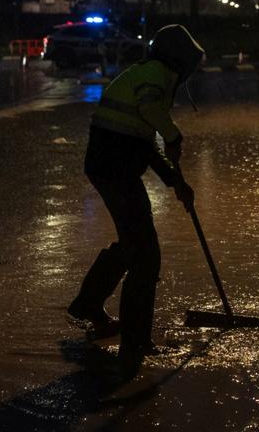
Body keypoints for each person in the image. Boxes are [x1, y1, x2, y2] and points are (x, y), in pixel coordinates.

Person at [67, 24, 204, 379]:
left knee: (134, 245)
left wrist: (176, 181)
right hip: (113, 170)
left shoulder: (147, 73)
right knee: (145, 254)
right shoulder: (154, 77)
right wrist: (174, 134)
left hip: (111, 168)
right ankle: (134, 341)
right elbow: (151, 116)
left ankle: (88, 305)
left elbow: (146, 142)